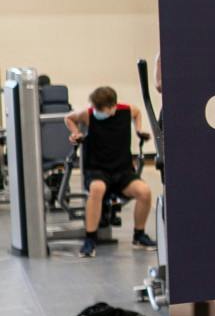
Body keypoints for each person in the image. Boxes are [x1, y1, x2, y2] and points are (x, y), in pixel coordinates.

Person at [64, 85, 154, 258]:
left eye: (101, 109)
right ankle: (90, 239)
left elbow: (137, 113)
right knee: (97, 189)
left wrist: (138, 130)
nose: (97, 111)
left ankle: (139, 235)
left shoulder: (126, 110)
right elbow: (68, 118)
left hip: (122, 171)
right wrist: (75, 132)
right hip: (97, 170)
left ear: (113, 107)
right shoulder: (89, 114)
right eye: (96, 108)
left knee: (144, 192)